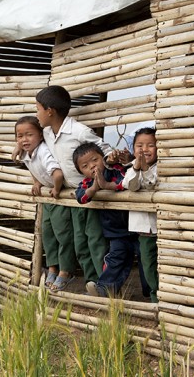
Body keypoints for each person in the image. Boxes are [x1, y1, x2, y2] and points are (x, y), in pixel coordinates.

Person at [32, 86, 113, 286]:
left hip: (89, 195)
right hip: (71, 198)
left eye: (38, 109)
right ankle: (91, 282)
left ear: (50, 111)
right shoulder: (47, 133)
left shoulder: (78, 131)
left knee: (95, 240)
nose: (37, 114)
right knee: (79, 243)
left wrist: (99, 175)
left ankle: (105, 284)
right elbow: (30, 140)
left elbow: (106, 151)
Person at [15, 116, 75, 292]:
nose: (24, 139)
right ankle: (52, 268)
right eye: (20, 136)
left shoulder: (43, 151)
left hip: (59, 198)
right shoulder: (28, 153)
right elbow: (32, 168)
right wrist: (37, 182)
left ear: (41, 136)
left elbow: (57, 174)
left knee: (62, 235)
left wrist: (56, 189)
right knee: (48, 235)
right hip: (48, 200)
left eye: (29, 134)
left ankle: (66, 272)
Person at [73, 142, 140, 297]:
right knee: (116, 259)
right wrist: (95, 188)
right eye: (85, 165)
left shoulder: (115, 171)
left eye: (95, 160)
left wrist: (107, 184)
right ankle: (105, 289)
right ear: (80, 171)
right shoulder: (86, 183)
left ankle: (150, 292)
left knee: (143, 260)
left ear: (102, 158)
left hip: (136, 227)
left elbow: (125, 182)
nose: (92, 166)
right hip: (115, 232)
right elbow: (81, 198)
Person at [124, 127, 158, 303]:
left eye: (150, 145)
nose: (144, 149)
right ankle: (155, 298)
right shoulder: (131, 168)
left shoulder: (162, 168)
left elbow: (152, 184)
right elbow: (130, 185)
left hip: (162, 226)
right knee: (148, 264)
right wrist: (138, 167)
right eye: (139, 145)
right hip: (143, 229)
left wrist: (145, 169)